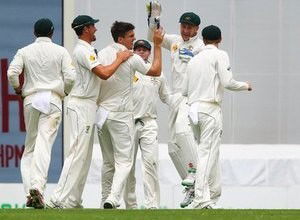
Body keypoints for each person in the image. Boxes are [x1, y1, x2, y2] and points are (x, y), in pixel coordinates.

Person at [48, 15, 133, 209]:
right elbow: (103, 73)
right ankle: (57, 199)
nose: (96, 29)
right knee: (77, 152)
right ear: (86, 29)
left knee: (84, 156)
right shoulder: (82, 50)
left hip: (88, 105)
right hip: (81, 105)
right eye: (93, 26)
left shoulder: (86, 49)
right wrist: (119, 58)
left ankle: (73, 201)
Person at [7, 18, 76, 209]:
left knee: (30, 148)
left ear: (34, 33)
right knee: (44, 145)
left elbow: (12, 73)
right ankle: (37, 187)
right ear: (52, 33)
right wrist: (66, 92)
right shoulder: (61, 51)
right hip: (52, 99)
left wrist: (18, 89)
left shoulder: (25, 51)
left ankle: (31, 191)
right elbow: (71, 77)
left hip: (31, 99)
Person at [96, 21, 163, 209]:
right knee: (124, 162)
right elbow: (156, 70)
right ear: (120, 38)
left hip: (102, 114)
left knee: (108, 162)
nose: (134, 41)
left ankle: (104, 200)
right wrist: (157, 45)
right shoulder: (129, 56)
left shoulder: (100, 54)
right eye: (131, 37)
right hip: (121, 115)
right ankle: (113, 198)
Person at [186, 25, 252, 209]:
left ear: (204, 39)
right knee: (207, 154)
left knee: (205, 153)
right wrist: (245, 86)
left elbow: (184, 89)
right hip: (210, 109)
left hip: (193, 109)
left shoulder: (194, 60)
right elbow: (228, 82)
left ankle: (208, 198)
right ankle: (200, 199)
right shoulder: (220, 55)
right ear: (220, 39)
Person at [147, 1, 204, 207]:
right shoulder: (175, 41)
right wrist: (155, 16)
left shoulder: (201, 47)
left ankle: (197, 172)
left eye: (190, 27)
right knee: (172, 147)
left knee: (182, 131)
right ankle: (192, 186)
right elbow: (154, 35)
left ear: (197, 28)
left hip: (191, 96)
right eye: (183, 26)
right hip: (175, 97)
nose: (186, 30)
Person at [123, 39, 172, 209]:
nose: (141, 52)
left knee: (151, 163)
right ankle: (131, 205)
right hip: (128, 122)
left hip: (148, 121)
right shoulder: (127, 69)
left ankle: (152, 205)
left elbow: (167, 97)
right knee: (127, 166)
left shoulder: (157, 73)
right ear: (133, 51)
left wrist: (182, 105)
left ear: (149, 52)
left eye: (144, 50)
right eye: (138, 49)